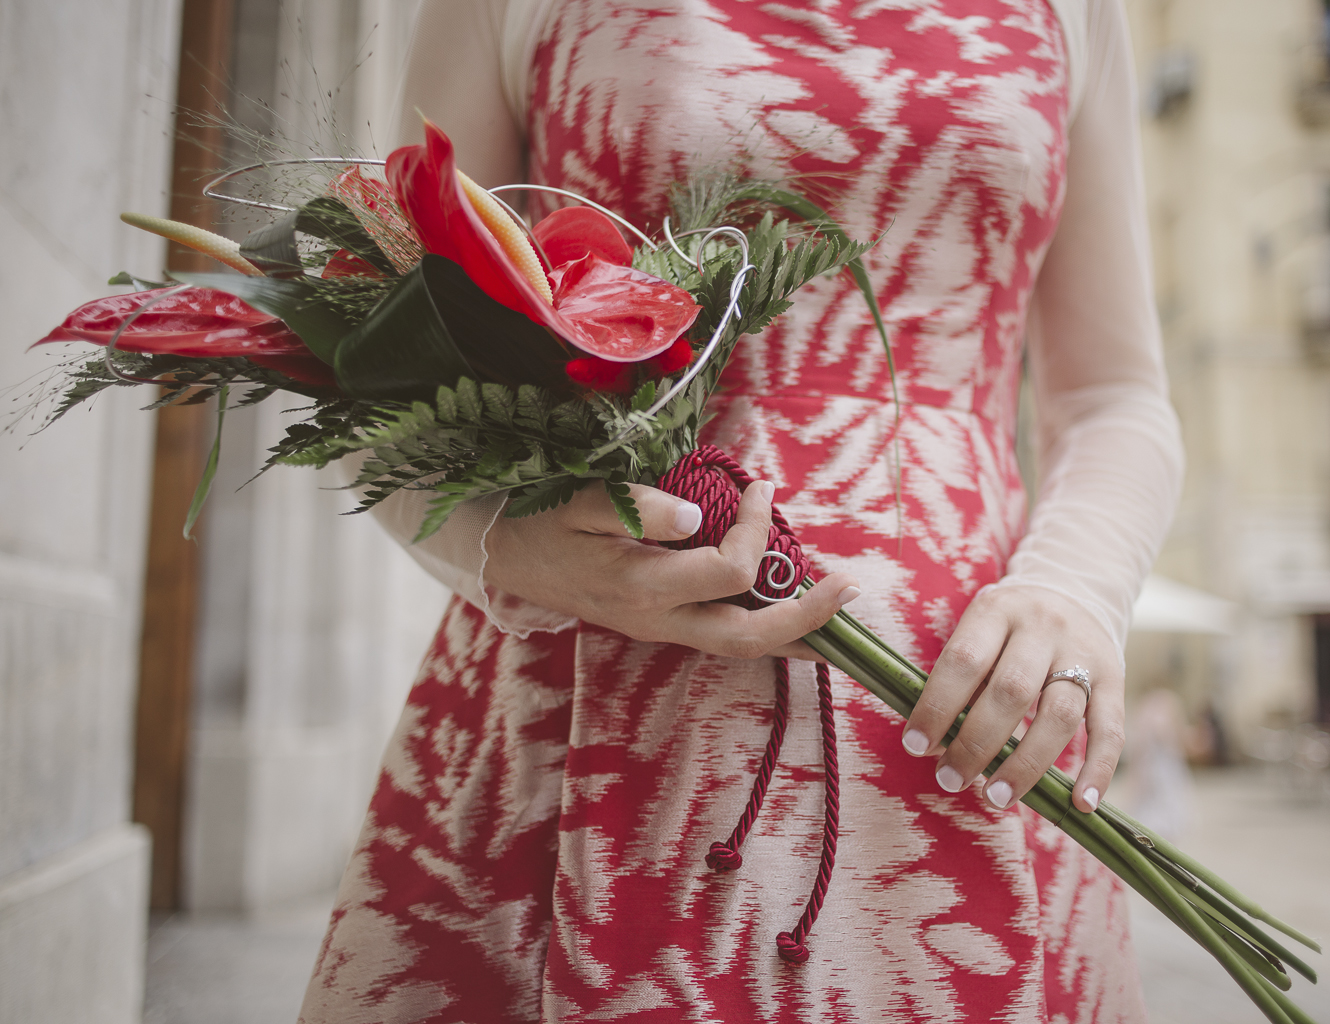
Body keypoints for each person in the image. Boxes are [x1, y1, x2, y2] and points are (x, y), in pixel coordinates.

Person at [299, 0, 1182, 1020]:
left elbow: (1116, 397)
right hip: (579, 693)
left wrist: (1078, 584)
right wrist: (518, 547)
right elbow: (377, 360)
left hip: (968, 723)